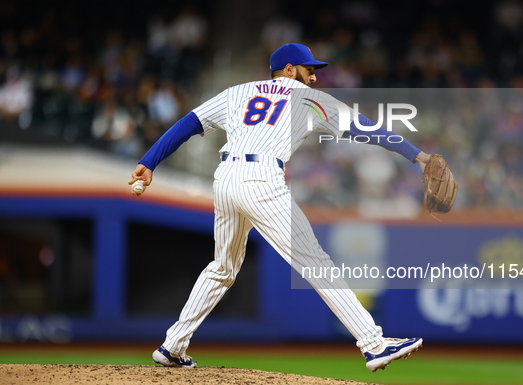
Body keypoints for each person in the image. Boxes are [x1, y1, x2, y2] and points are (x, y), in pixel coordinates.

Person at [128, 43, 430, 372]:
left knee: (222, 267)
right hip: (262, 180)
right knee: (316, 264)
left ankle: (173, 346)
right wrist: (417, 155)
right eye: (309, 69)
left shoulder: (237, 92)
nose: (314, 77)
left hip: (226, 178)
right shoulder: (309, 99)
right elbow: (368, 129)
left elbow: (188, 123)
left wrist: (149, 161)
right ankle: (374, 344)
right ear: (288, 69)